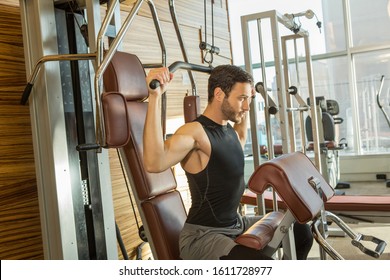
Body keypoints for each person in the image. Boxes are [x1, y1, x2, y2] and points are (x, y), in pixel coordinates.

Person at [143, 65, 313, 260]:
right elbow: (154, 163)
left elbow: (241, 134)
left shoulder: (230, 131)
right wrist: (155, 96)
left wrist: (246, 99)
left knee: (301, 232)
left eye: (248, 100)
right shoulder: (195, 132)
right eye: (241, 99)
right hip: (203, 237)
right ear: (218, 94)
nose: (247, 106)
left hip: (235, 225)